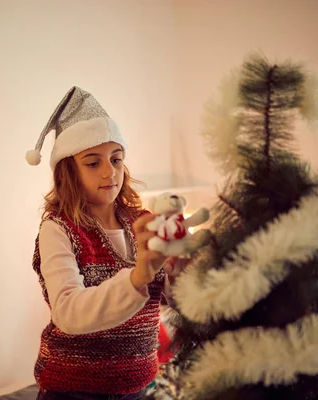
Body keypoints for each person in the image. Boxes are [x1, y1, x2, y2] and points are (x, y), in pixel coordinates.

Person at [25, 86, 187, 400]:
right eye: (92, 162)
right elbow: (68, 313)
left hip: (138, 387)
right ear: (68, 171)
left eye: (116, 159)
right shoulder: (58, 229)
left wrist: (182, 270)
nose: (109, 172)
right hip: (73, 391)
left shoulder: (144, 222)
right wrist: (139, 276)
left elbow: (179, 303)